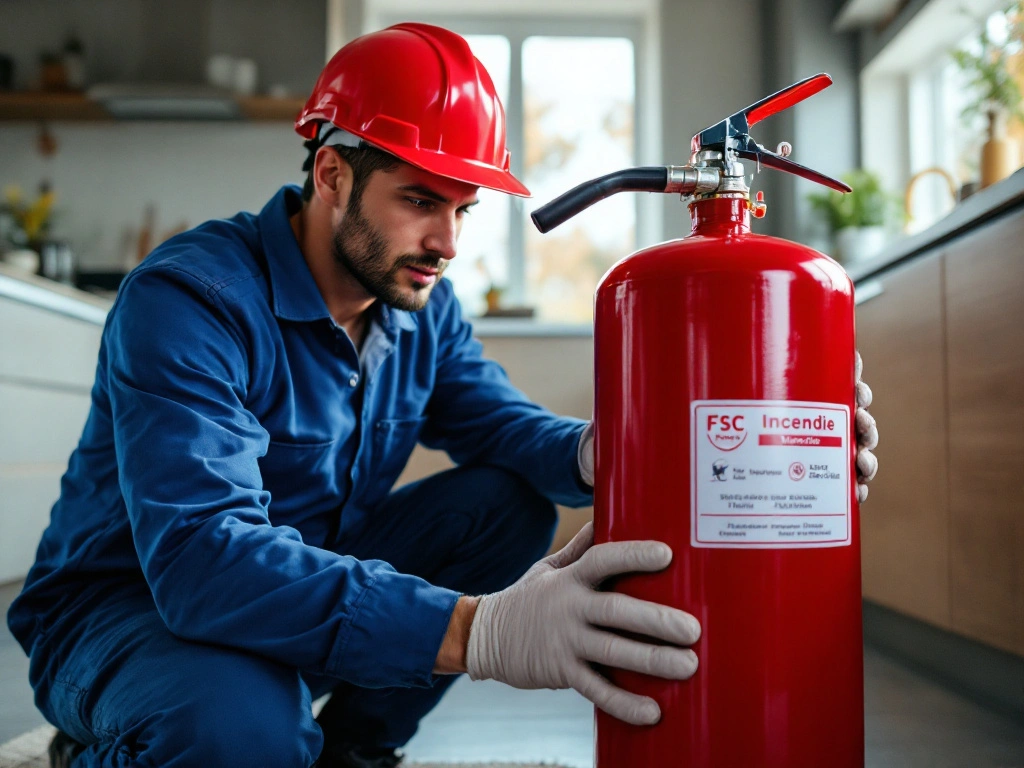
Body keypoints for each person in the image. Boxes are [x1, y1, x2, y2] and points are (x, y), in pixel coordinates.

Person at [6, 22, 880, 768]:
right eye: (421, 201)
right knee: (238, 733)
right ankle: (105, 742)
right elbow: (202, 560)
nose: (446, 241)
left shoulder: (418, 306)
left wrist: (635, 451)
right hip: (132, 608)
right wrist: (480, 631)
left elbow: (499, 425)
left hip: (295, 582)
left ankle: (351, 750)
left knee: (502, 505)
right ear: (333, 175)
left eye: (462, 208)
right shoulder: (193, 300)